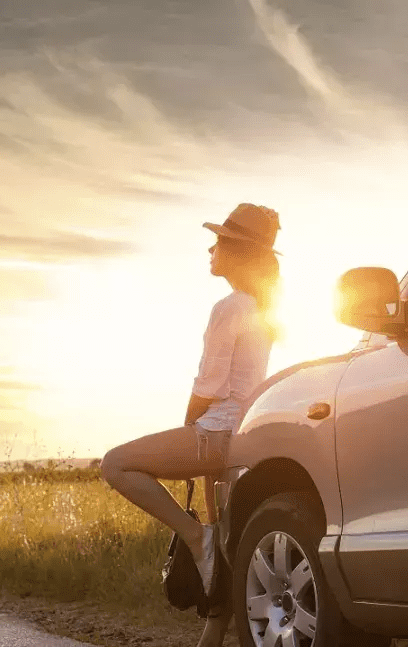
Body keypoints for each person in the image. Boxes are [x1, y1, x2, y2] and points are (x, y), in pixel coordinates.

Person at [101, 203, 282, 647]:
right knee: (227, 547)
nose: (210, 249)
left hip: (214, 435)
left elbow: (209, 384)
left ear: (237, 251)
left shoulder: (230, 306)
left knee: (115, 464)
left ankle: (193, 535)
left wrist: (188, 426)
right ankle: (212, 635)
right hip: (241, 437)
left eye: (218, 242)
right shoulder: (263, 308)